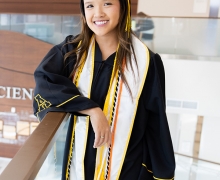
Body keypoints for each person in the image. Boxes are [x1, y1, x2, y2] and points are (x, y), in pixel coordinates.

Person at [33, 0, 175, 179]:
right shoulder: (71, 52)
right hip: (79, 165)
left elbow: (156, 123)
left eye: (107, 3)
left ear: (123, 6)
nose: (98, 13)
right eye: (90, 6)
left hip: (127, 167)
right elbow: (45, 82)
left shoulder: (146, 62)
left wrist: (162, 174)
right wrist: (92, 109)